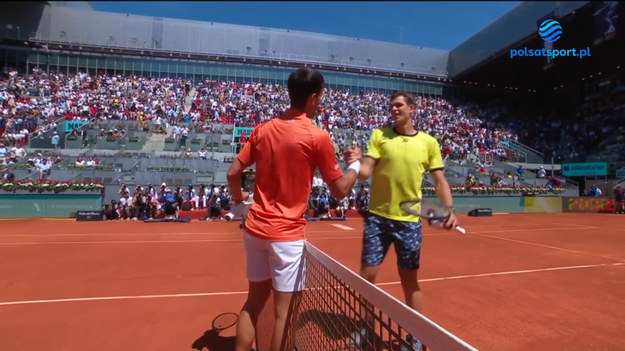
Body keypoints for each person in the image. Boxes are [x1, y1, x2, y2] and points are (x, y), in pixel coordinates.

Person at [227, 68, 362, 351]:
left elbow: (233, 172)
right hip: (286, 237)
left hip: (254, 230)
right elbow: (340, 190)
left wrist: (239, 204)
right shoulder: (317, 136)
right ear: (314, 98)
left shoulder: (262, 129)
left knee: (253, 303)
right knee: (285, 315)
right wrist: (356, 166)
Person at [355, 91, 459, 351]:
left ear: (413, 109)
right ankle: (366, 328)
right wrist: (358, 164)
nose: (394, 109)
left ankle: (416, 336)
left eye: (399, 105)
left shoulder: (429, 142)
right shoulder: (380, 136)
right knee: (366, 276)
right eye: (391, 106)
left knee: (409, 280)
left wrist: (448, 210)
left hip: (409, 221)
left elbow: (439, 181)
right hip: (377, 218)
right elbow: (366, 171)